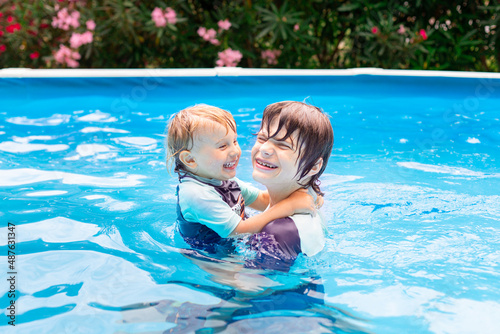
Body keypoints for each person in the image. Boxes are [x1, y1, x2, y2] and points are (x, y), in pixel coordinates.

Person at [166, 104, 317, 253]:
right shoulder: (195, 194)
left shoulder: (222, 179)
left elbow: (263, 200)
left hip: (231, 245)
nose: (235, 151)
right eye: (222, 146)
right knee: (239, 277)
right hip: (208, 255)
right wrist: (291, 206)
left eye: (234, 141)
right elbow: (237, 231)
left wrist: (303, 195)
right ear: (190, 159)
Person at [247, 101, 334, 271]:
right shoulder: (312, 196)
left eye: (282, 145)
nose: (264, 149)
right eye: (262, 138)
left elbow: (247, 290)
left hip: (284, 296)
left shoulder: (278, 233)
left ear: (314, 166)